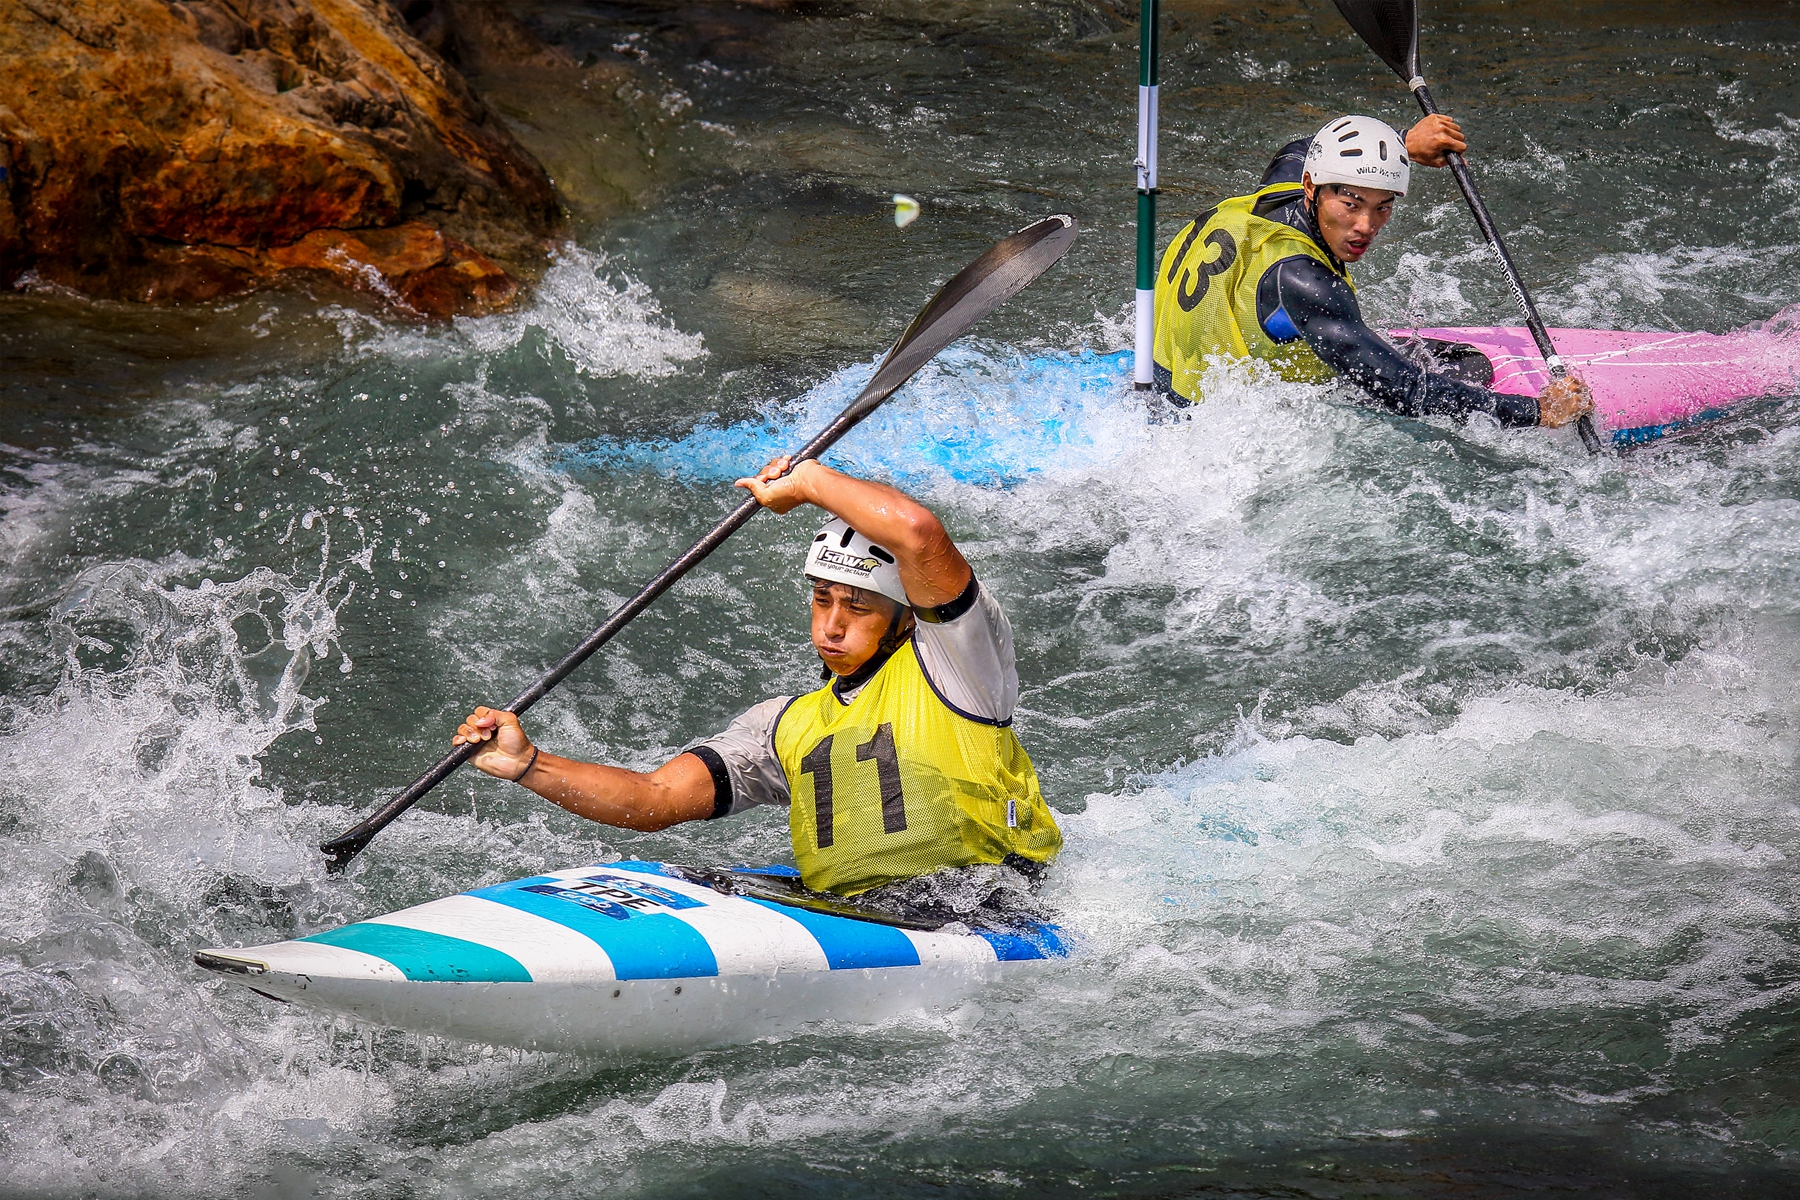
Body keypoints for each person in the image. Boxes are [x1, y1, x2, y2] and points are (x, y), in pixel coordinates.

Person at [451, 456, 1062, 903]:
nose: (831, 626)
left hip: (988, 908)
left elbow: (918, 533)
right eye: (822, 600)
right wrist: (529, 764)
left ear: (905, 617)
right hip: (859, 915)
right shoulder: (781, 725)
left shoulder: (958, 664)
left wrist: (807, 483)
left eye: (858, 606)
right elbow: (654, 800)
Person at [1152, 113, 1592, 430]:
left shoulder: (1286, 178)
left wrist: (1403, 144)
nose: (1366, 226)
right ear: (1312, 186)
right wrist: (1537, 412)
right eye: (1351, 204)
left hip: (1160, 373)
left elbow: (1304, 144)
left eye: (1383, 207)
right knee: (1465, 367)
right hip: (1202, 427)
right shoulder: (1304, 281)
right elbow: (1406, 391)